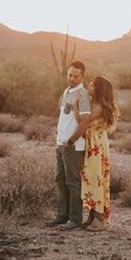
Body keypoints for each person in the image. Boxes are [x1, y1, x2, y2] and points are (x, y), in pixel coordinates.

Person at [46, 60, 91, 230]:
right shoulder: (67, 91)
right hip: (61, 143)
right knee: (60, 180)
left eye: (76, 76)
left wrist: (71, 140)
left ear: (82, 76)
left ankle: (75, 219)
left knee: (73, 182)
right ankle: (61, 216)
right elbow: (65, 115)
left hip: (73, 145)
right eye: (70, 75)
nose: (72, 78)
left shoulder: (83, 94)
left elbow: (85, 121)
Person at [74, 76, 119, 231]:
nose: (89, 85)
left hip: (96, 146)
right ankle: (92, 215)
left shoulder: (99, 106)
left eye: (92, 85)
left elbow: (82, 121)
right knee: (90, 178)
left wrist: (75, 104)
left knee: (96, 178)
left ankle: (99, 218)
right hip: (93, 144)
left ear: (99, 89)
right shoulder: (93, 104)